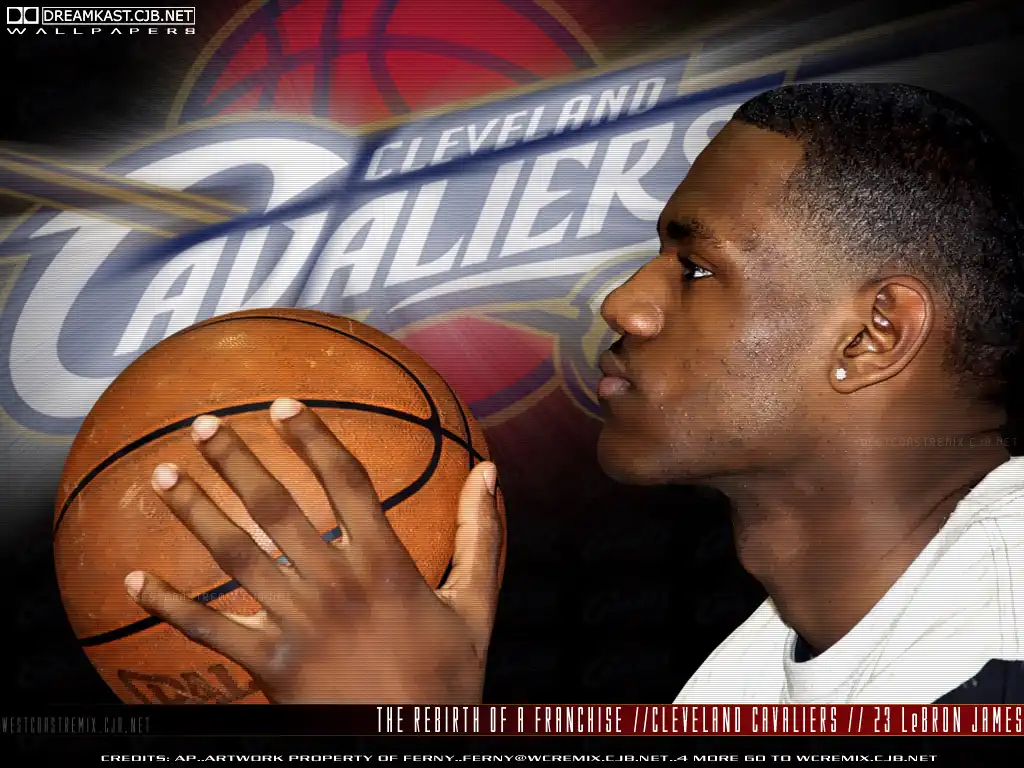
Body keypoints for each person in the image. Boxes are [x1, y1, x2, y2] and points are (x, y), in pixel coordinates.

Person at [122, 82, 1024, 704]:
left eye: (696, 268)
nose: (625, 303)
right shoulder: (740, 680)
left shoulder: (997, 649)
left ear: (873, 336)